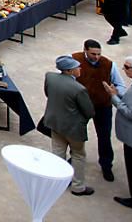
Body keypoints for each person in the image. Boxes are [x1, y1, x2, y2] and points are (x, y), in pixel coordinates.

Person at [73, 39, 128, 181]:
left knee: (104, 137)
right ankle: (74, 161)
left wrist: (115, 92)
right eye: (93, 54)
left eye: (99, 54)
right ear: (85, 50)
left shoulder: (109, 64)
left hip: (102, 106)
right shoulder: (74, 60)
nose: (97, 57)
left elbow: (120, 85)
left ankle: (106, 165)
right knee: (76, 135)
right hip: (81, 107)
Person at [43, 55, 96, 196]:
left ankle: (57, 182)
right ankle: (78, 186)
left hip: (54, 122)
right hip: (73, 128)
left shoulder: (50, 77)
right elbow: (89, 111)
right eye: (77, 68)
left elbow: (48, 94)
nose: (80, 69)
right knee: (78, 155)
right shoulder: (79, 89)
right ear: (69, 71)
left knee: (58, 151)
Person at [104, 55, 132, 209]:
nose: (124, 70)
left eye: (127, 67)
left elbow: (131, 113)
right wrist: (120, 94)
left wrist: (114, 97)